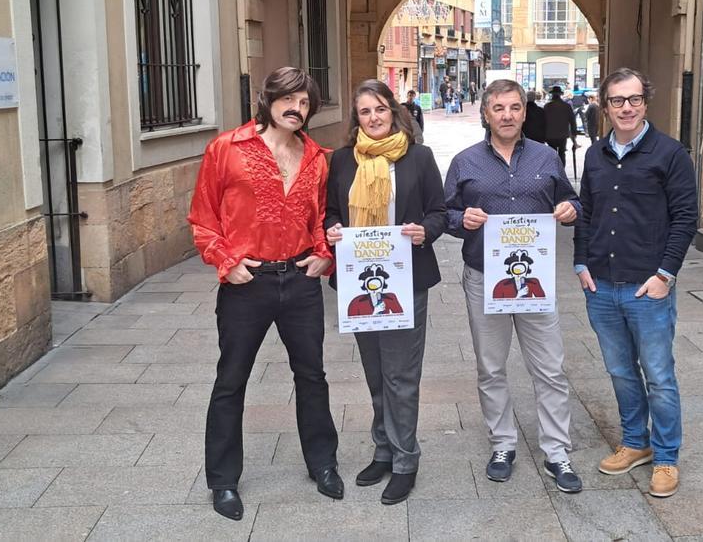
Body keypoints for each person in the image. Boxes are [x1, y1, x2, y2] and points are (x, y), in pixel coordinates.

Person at [188, 66, 341, 521]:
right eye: (289, 100)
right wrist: (225, 260)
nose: (298, 109)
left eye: (306, 103)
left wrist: (324, 253)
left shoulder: (316, 157)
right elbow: (202, 215)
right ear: (268, 99)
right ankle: (222, 480)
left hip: (300, 280)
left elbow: (319, 217)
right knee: (231, 380)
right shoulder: (226, 149)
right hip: (247, 283)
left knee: (312, 375)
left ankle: (323, 463)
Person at [443, 79, 584, 494]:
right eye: (498, 108)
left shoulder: (545, 157)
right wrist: (460, 220)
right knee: (491, 367)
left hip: (535, 281)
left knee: (551, 369)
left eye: (514, 107)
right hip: (484, 278)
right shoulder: (465, 162)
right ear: (485, 113)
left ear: (525, 112)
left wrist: (568, 210)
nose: (506, 115)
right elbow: (444, 212)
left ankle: (558, 451)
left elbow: (574, 202)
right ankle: (502, 444)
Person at [573, 67, 698, 499]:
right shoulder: (595, 155)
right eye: (617, 101)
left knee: (659, 375)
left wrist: (665, 275)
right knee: (621, 371)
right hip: (602, 285)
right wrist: (580, 264)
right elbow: (586, 211)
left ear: (646, 102)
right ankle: (635, 442)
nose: (626, 108)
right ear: (604, 106)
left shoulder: (670, 154)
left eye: (634, 100)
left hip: (649, 287)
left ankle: (665, 456)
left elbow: (686, 218)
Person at [325, 79, 447, 505]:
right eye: (364, 112)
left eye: (380, 109)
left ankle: (405, 460)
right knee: (376, 374)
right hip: (360, 282)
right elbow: (332, 213)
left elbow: (440, 211)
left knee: (401, 375)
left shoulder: (419, 157)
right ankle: (383, 449)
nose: (373, 118)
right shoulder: (342, 161)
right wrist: (332, 230)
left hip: (406, 279)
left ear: (393, 112)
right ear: (355, 118)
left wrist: (423, 231)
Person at [543, 86, 574, 165]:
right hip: (562, 134)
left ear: (552, 95)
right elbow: (572, 121)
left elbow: (543, 121)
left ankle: (553, 171)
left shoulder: (547, 106)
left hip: (550, 135)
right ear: (560, 94)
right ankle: (561, 171)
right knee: (561, 153)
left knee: (551, 154)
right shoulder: (566, 106)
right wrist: (574, 133)